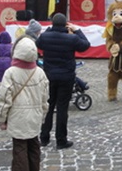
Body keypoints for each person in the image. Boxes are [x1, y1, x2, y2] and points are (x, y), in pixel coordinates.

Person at [36, 13, 90, 149]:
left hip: (49, 76)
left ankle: (44, 137)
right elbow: (85, 45)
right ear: (65, 24)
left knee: (48, 107)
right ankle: (61, 140)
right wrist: (77, 30)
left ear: (52, 24)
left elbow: (38, 43)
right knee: (62, 109)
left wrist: (50, 29)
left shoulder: (45, 37)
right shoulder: (71, 38)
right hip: (66, 76)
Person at [0, 33, 49, 171]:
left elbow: (3, 99)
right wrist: (42, 115)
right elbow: (45, 98)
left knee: (19, 149)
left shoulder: (11, 72)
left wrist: (2, 119)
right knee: (34, 147)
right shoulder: (40, 72)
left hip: (18, 118)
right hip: (34, 117)